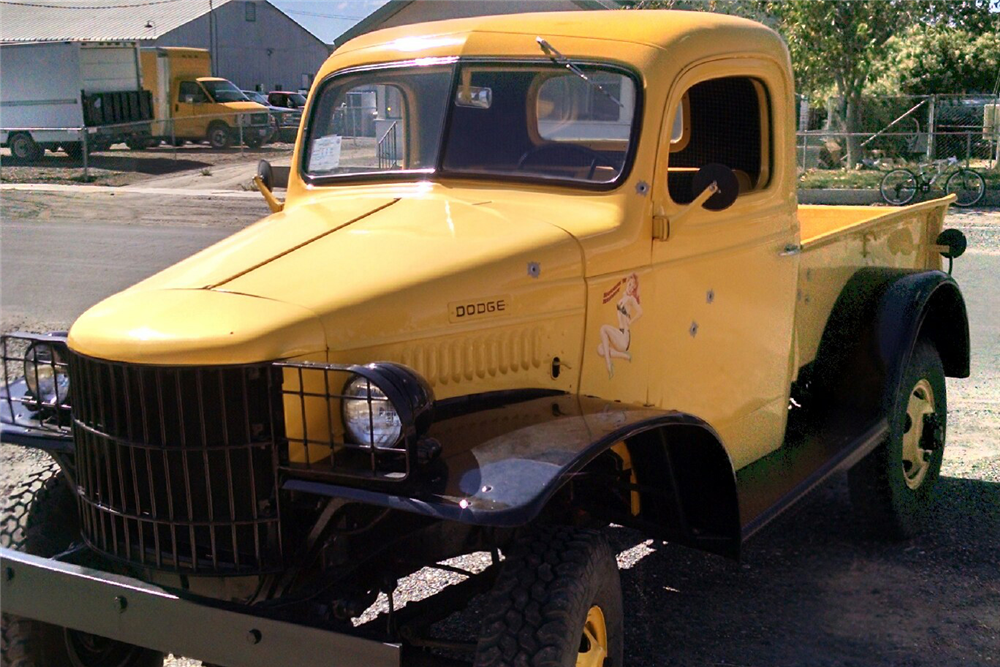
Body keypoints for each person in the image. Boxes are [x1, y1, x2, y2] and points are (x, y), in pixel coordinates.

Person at [597, 272, 642, 379]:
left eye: (633, 287)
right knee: (600, 349)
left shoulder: (631, 299)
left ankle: (609, 364)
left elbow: (640, 312)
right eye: (630, 285)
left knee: (603, 328)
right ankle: (625, 356)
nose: (631, 289)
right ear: (627, 283)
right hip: (619, 333)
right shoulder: (623, 296)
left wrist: (631, 322)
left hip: (624, 337)